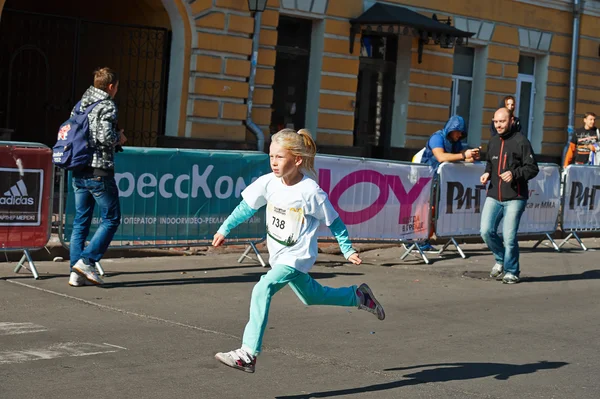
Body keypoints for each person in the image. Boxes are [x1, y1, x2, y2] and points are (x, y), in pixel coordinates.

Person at [212, 128, 385, 373]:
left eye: (280, 157)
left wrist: (348, 250)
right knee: (312, 296)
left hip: (297, 257)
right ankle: (357, 296)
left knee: (262, 288)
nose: (273, 162)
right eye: (271, 156)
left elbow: (334, 221)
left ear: (297, 160)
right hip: (279, 255)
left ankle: (248, 353)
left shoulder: (310, 192)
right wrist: (224, 229)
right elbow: (246, 207)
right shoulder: (269, 183)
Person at [69, 67, 127, 287]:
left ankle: (76, 272)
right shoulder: (107, 105)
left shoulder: (81, 103)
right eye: (117, 87)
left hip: (79, 168)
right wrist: (119, 137)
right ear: (111, 86)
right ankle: (87, 260)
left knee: (81, 221)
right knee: (112, 218)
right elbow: (104, 137)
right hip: (98, 171)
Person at [480, 108, 539, 284]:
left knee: (509, 236)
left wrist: (514, 174)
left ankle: (512, 271)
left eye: (502, 121)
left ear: (511, 121)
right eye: (496, 122)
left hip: (515, 196)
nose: (498, 125)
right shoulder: (492, 142)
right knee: (486, 231)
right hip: (494, 195)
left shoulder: (521, 141)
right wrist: (487, 174)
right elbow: (490, 163)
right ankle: (500, 259)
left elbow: (532, 168)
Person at [419, 115, 480, 251]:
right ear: (451, 129)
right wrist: (464, 156)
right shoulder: (437, 138)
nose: (460, 135)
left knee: (435, 210)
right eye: (458, 132)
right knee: (426, 209)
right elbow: (441, 157)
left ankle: (425, 239)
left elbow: (457, 156)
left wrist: (470, 157)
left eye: (462, 133)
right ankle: (416, 239)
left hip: (442, 180)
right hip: (427, 178)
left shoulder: (455, 141)